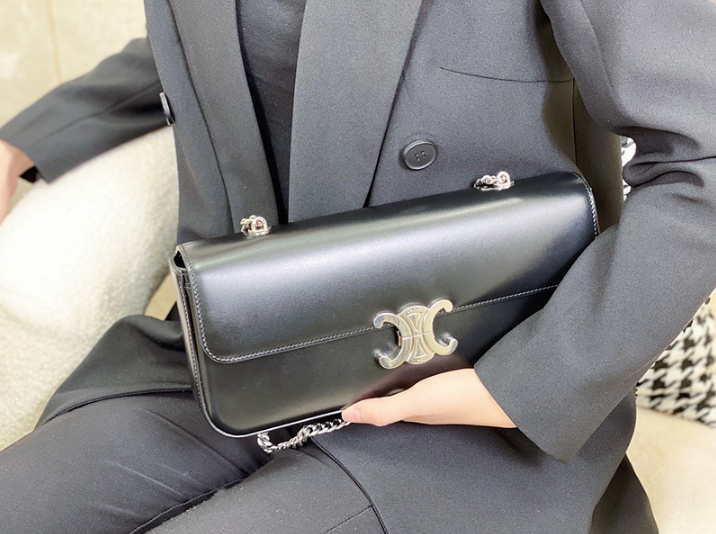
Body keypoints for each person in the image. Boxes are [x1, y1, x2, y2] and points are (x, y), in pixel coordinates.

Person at [1, 0, 715, 532]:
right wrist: (31, 136)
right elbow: (208, 38)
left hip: (467, 384)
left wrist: (528, 383)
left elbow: (703, 154)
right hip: (232, 361)